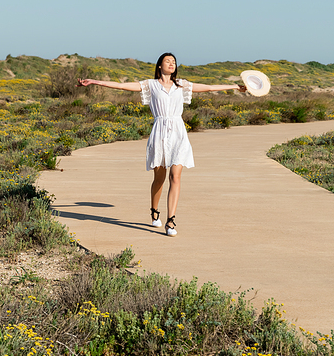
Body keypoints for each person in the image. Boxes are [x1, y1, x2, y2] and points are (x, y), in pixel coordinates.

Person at [78, 52, 246, 237]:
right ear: (160, 65)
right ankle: (154, 210)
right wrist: (95, 82)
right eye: (168, 61)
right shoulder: (150, 85)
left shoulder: (181, 85)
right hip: (159, 133)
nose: (171, 64)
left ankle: (171, 221)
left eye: (174, 61)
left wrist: (235, 86)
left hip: (178, 133)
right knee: (160, 178)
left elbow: (208, 87)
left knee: (175, 176)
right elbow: (121, 86)